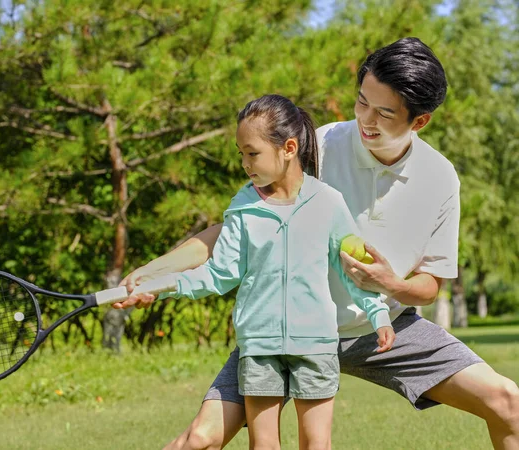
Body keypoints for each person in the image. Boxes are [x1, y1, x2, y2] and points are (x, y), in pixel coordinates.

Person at [115, 37, 519, 449]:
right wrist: (157, 270)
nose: (366, 119)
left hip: (384, 329)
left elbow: (431, 283)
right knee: (198, 439)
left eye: (384, 112)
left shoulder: (440, 179)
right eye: (362, 101)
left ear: (419, 122)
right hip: (287, 326)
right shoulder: (318, 145)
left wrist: (391, 284)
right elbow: (237, 229)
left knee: (509, 403)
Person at [140, 94, 395, 449]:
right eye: (240, 153)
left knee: (316, 445)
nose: (245, 163)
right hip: (259, 347)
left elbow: (353, 270)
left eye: (252, 153)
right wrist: (162, 284)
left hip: (316, 345)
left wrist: (378, 313)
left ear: (289, 148)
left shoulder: (328, 202)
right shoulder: (243, 206)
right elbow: (218, 273)